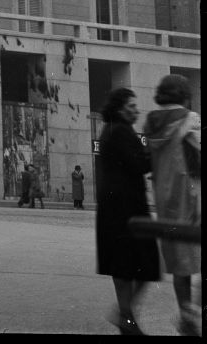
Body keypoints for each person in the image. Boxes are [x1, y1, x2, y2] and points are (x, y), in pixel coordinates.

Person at [95, 87, 160, 336]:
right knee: (146, 265)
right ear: (121, 108)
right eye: (132, 106)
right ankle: (125, 316)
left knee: (123, 269)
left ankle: (127, 319)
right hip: (127, 211)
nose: (136, 110)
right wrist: (155, 147)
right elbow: (141, 164)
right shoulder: (121, 131)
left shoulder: (112, 129)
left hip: (114, 210)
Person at [144, 73, 201, 337]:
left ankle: (186, 314)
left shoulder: (151, 123)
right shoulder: (190, 120)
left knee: (180, 264)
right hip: (191, 198)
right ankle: (191, 312)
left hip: (165, 201)